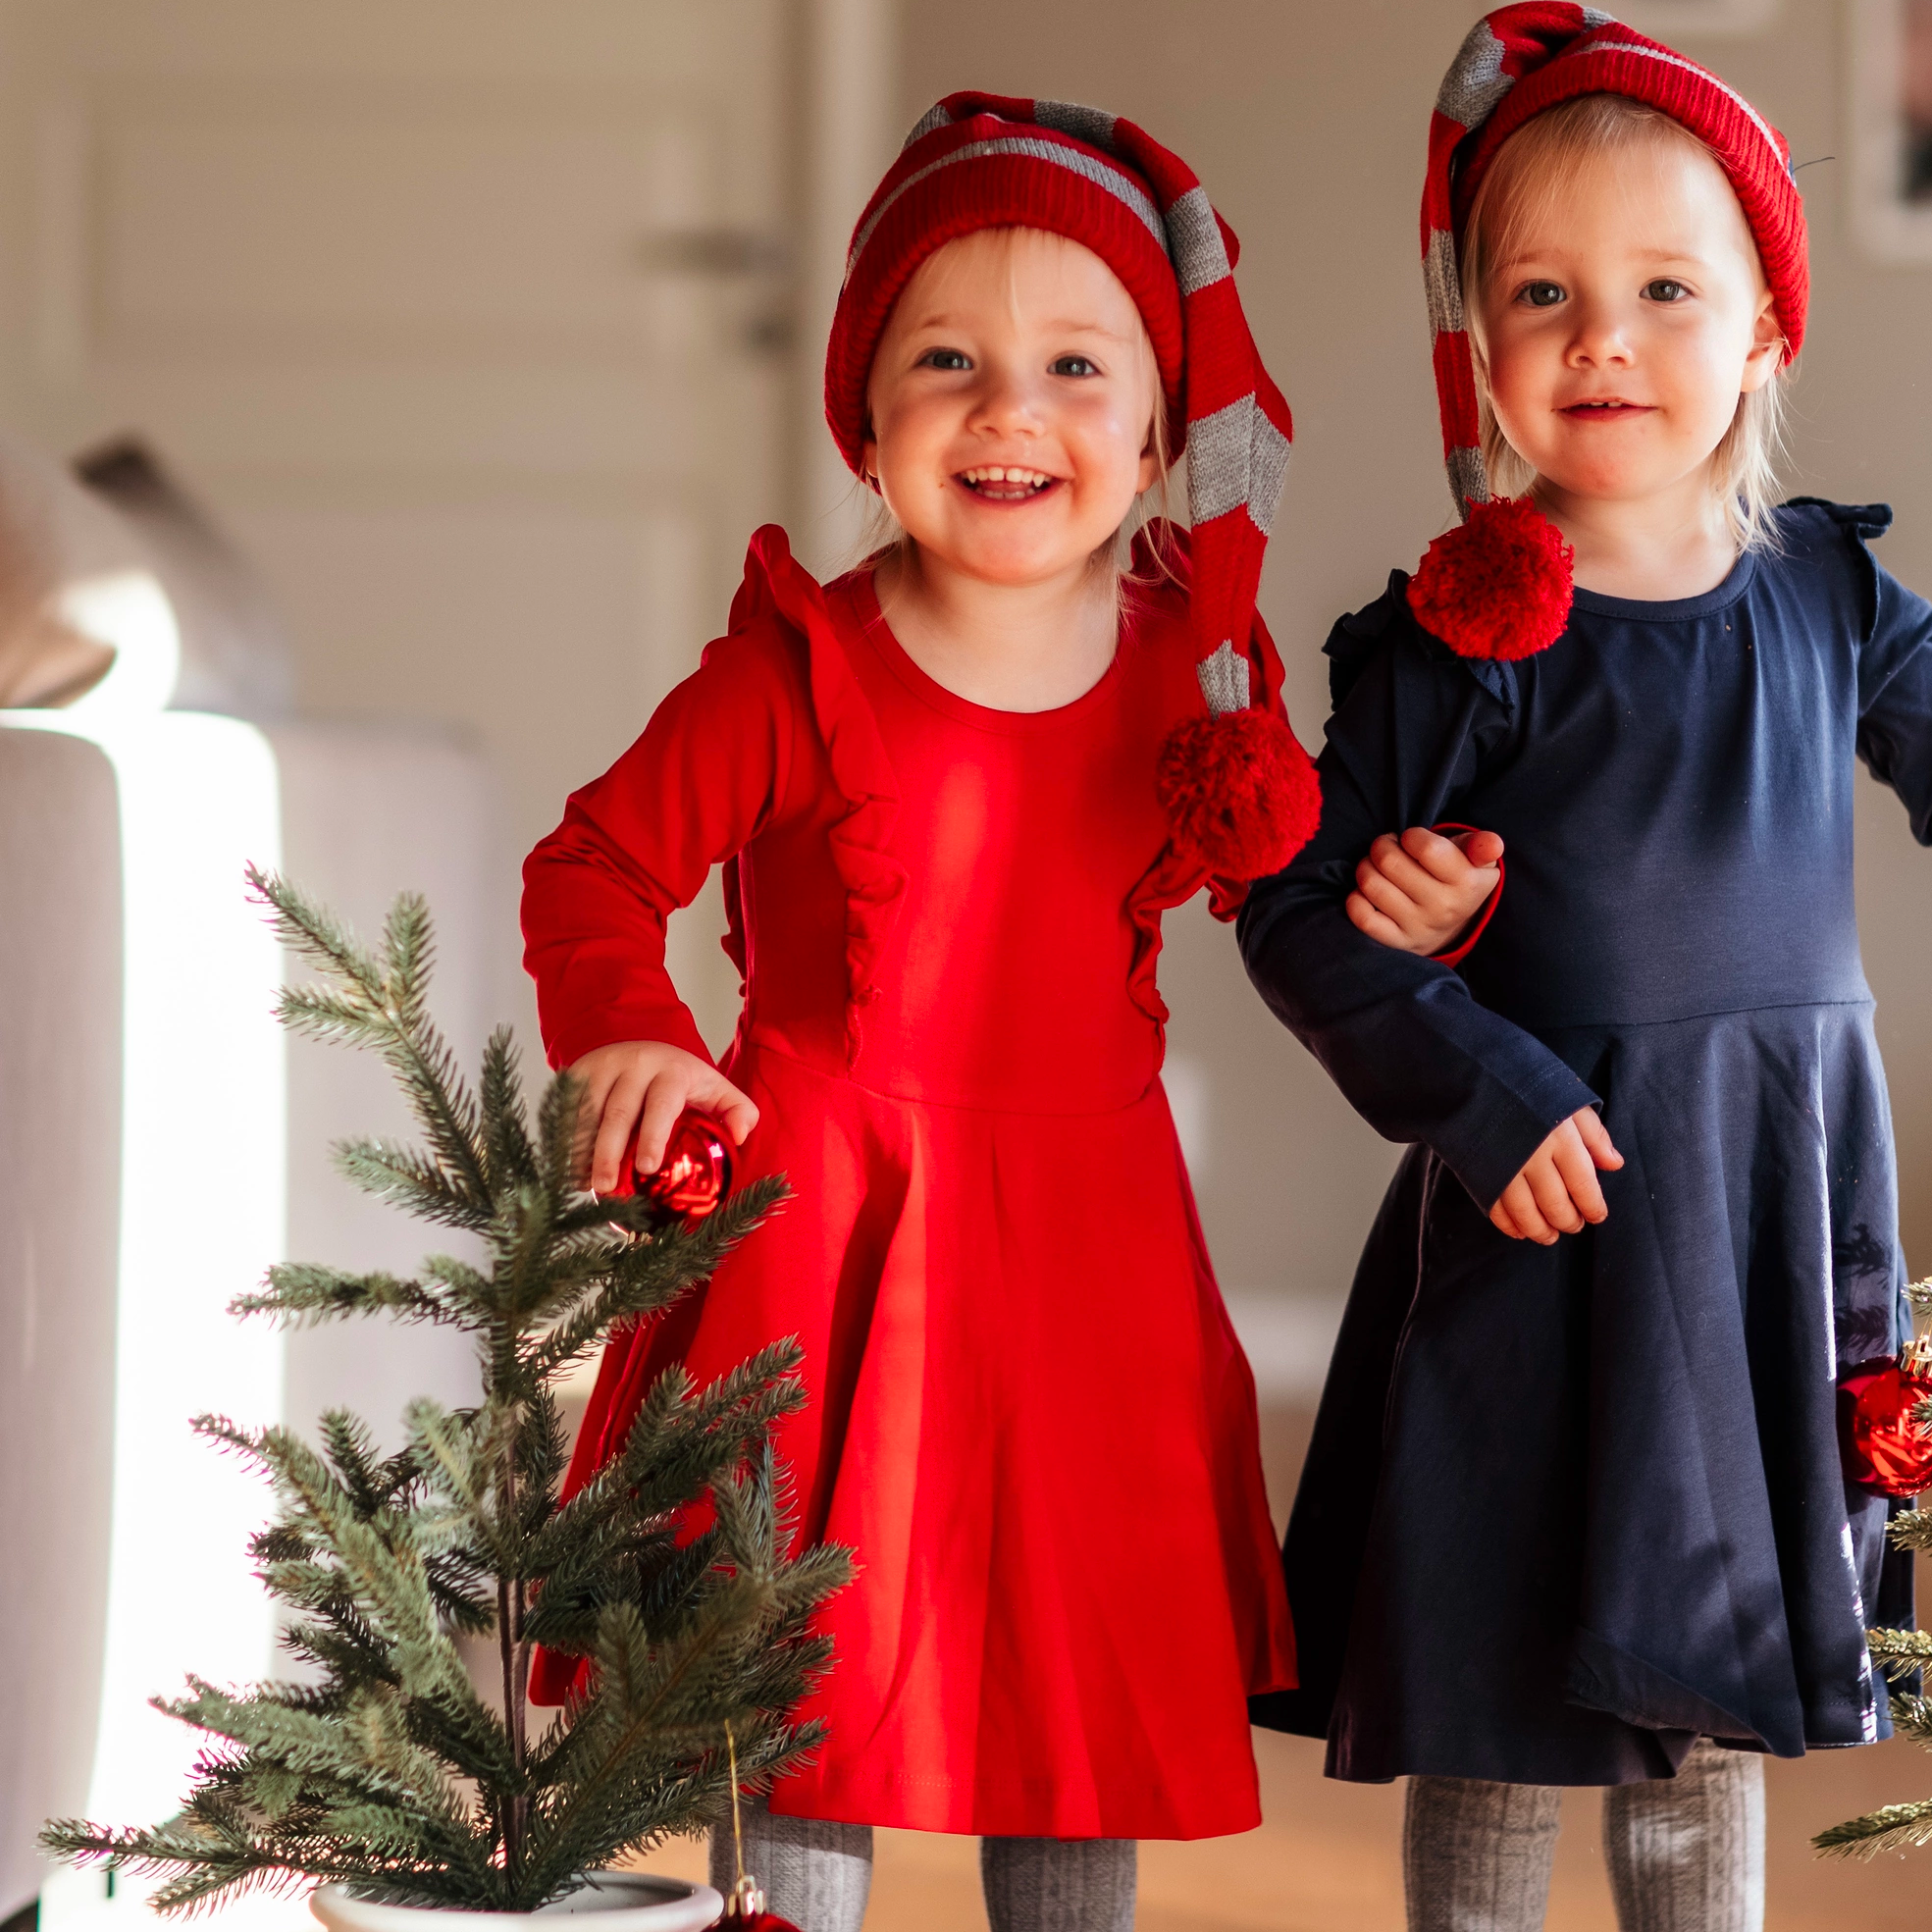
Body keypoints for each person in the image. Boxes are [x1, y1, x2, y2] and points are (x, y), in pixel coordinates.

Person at [520, 93, 1500, 1932]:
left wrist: (1431, 906)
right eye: (947, 358)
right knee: (800, 1684)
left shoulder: (1189, 693)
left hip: (1087, 1252)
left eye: (1074, 363)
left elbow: (1309, 899)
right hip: (824, 1221)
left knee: (1073, 1694)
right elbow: (591, 870)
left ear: (1150, 441)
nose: (1009, 407)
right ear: (867, 419)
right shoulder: (789, 671)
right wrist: (634, 1029)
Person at [1240, 11, 1932, 1931]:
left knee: (1705, 1694)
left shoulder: (1833, 600)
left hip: (1758, 1217)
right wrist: (1485, 1083)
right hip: (1545, 1210)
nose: (1600, 336)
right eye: (1541, 291)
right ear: (1483, 346)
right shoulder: (1459, 643)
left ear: (1763, 335)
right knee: (1498, 1681)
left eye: (1659, 289)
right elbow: (1289, 907)